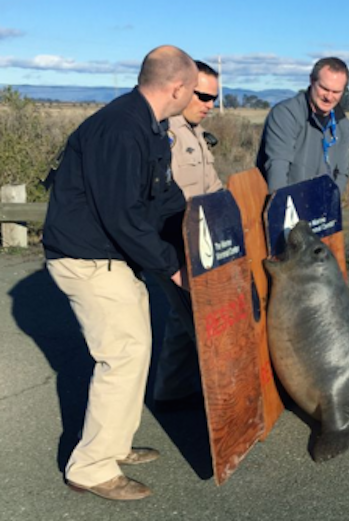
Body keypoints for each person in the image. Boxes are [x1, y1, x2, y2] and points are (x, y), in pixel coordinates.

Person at [42, 45, 197, 501]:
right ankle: (91, 467)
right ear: (178, 87)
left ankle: (114, 445)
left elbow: (163, 199)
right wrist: (172, 269)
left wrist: (193, 232)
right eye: (194, 91)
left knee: (135, 348)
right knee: (123, 354)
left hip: (113, 256)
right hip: (88, 258)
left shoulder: (150, 126)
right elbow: (122, 215)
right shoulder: (120, 129)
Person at [153, 60, 223, 411]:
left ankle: (171, 390)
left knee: (182, 319)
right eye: (204, 95)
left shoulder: (194, 130)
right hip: (175, 243)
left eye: (215, 97)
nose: (210, 103)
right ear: (183, 88)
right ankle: (226, 407)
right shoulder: (165, 133)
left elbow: (212, 186)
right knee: (203, 322)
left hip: (199, 240)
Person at [256, 57, 349, 194]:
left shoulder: (342, 124)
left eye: (336, 92)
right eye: (324, 88)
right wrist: (282, 208)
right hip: (287, 205)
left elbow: (342, 172)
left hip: (322, 208)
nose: (329, 97)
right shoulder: (286, 114)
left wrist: (332, 203)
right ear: (312, 81)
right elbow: (277, 168)